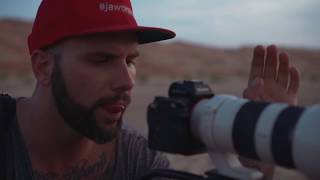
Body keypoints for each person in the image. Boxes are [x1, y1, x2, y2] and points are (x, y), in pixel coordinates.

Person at [0, 0, 299, 179]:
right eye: (102, 59)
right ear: (43, 67)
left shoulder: (137, 157)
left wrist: (256, 161)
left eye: (130, 60)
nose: (127, 81)